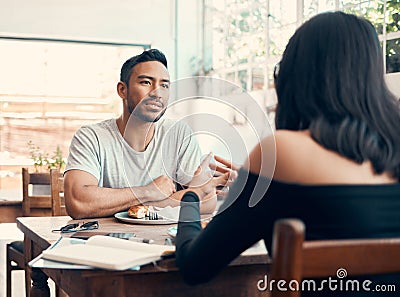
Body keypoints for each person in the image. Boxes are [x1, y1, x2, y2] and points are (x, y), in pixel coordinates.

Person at [175, 11, 400, 296]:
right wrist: (255, 187)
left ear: (296, 77)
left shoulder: (282, 151)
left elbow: (196, 267)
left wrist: (191, 196)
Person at [64, 49, 233, 219]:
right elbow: (79, 203)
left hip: (161, 242)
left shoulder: (179, 134)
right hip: (105, 241)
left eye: (164, 85)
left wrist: (139, 204)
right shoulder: (91, 137)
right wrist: (150, 191)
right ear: (122, 90)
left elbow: (206, 201)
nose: (157, 93)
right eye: (146, 82)